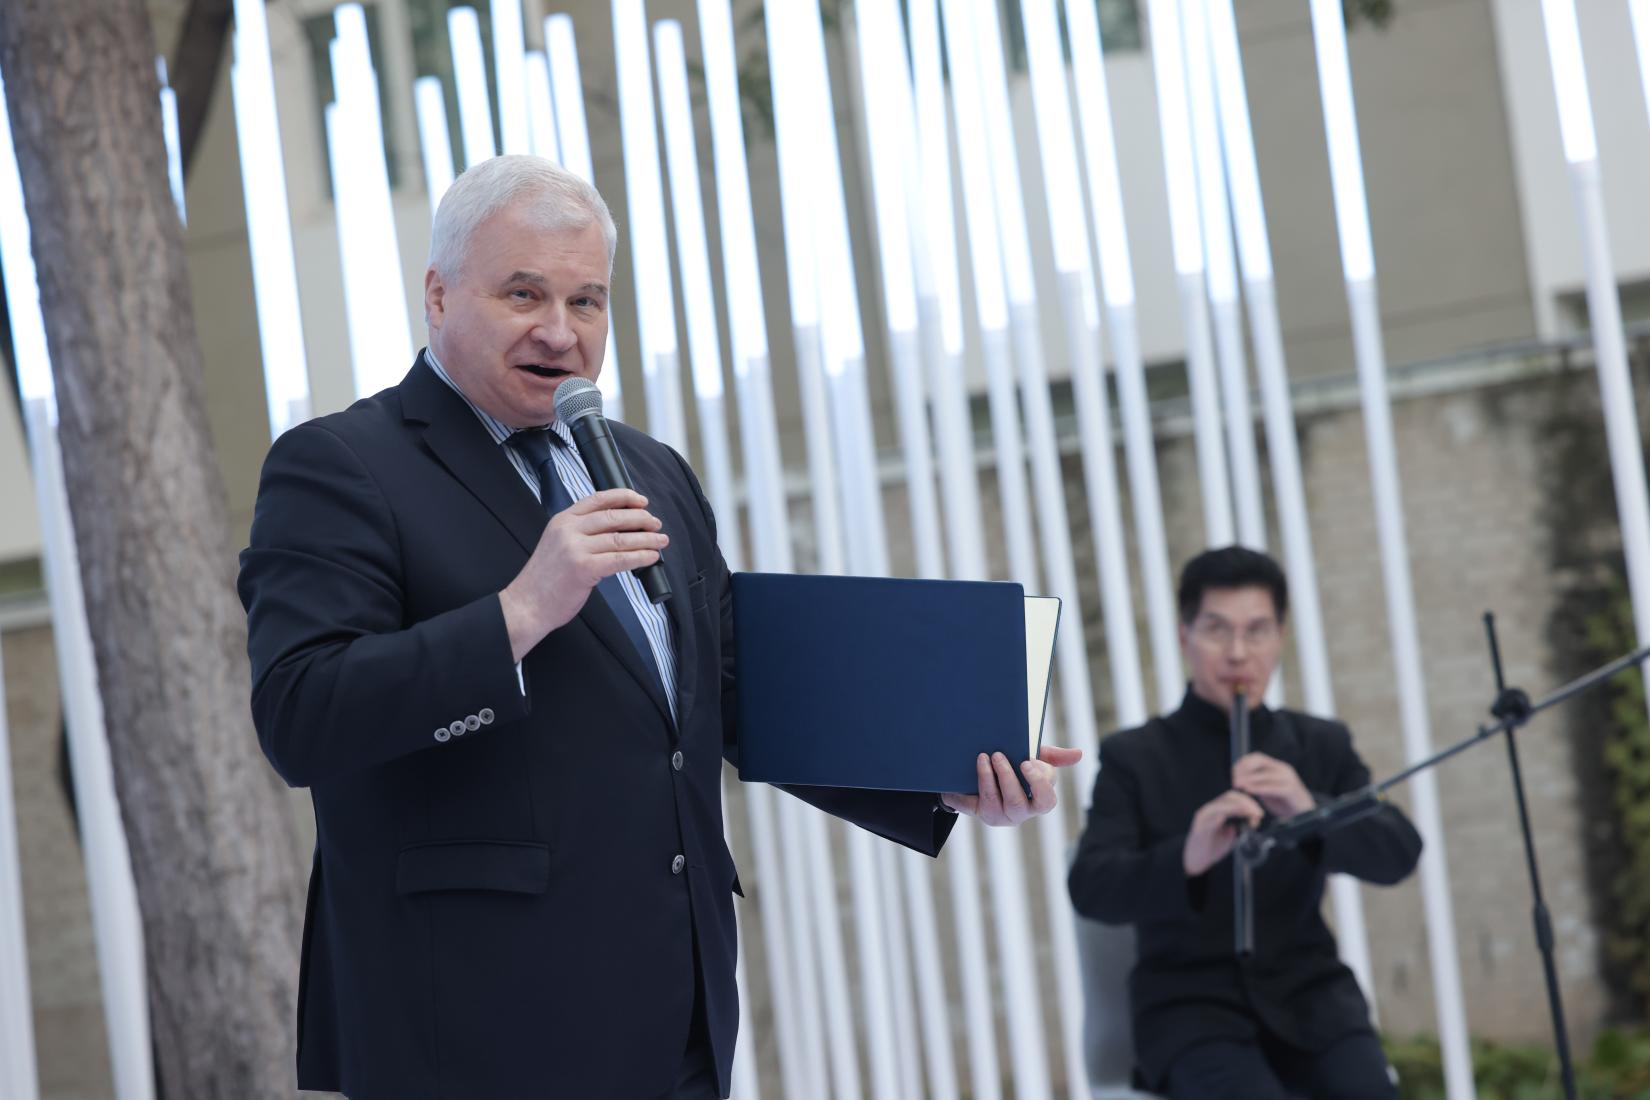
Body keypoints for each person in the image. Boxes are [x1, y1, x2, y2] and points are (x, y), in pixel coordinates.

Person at [238, 154, 1077, 1100]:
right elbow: (302, 716)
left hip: (670, 1010)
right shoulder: (343, 465)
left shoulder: (648, 470)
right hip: (467, 1020)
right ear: (437, 295)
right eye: (524, 294)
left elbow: (734, 693)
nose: (560, 333)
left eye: (587, 302)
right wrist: (520, 612)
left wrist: (944, 773)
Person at [1068, 546, 1421, 1100]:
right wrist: (1188, 856)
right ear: (1185, 637)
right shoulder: (1134, 757)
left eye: (1257, 631)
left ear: (1280, 637)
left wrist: (1310, 808)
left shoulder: (1320, 745)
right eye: (1216, 630)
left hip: (1313, 1002)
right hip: (1189, 1010)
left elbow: (1399, 852)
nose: (1237, 653)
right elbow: (1092, 888)